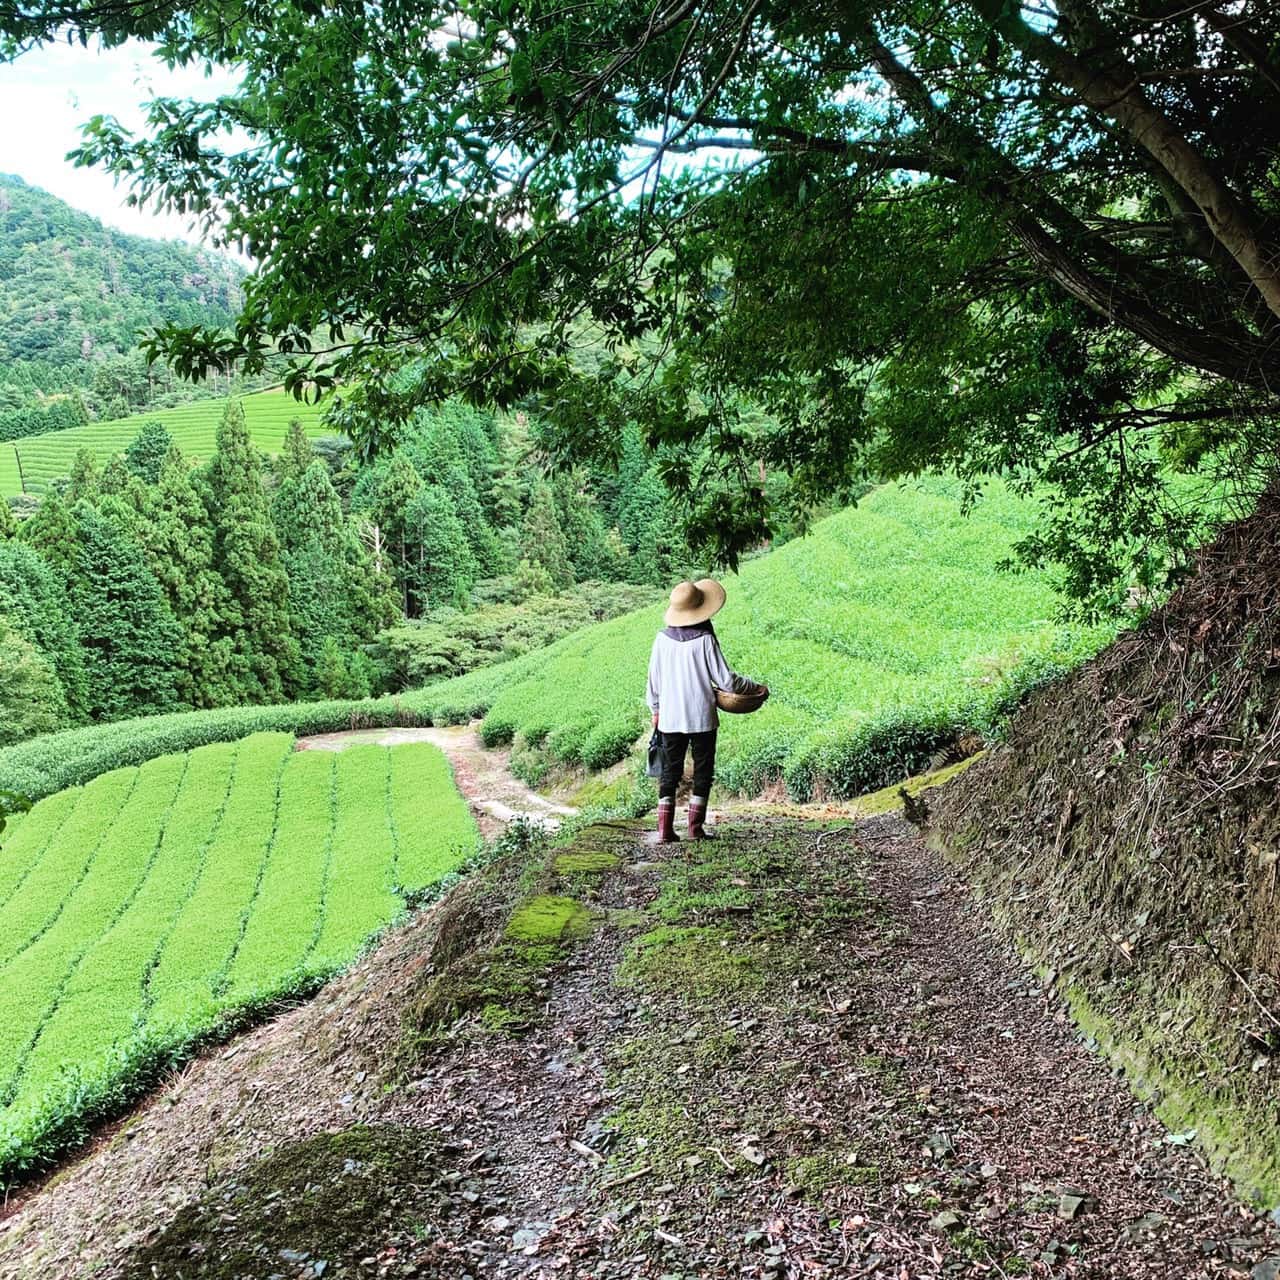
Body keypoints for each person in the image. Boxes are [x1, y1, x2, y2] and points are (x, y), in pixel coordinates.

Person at [645, 578, 754, 842]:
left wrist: (655, 709)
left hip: (670, 718)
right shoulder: (705, 640)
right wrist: (753, 687)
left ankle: (664, 830)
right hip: (702, 716)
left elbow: (653, 682)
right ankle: (695, 828)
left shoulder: (661, 640)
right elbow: (727, 681)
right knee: (703, 769)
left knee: (671, 771)